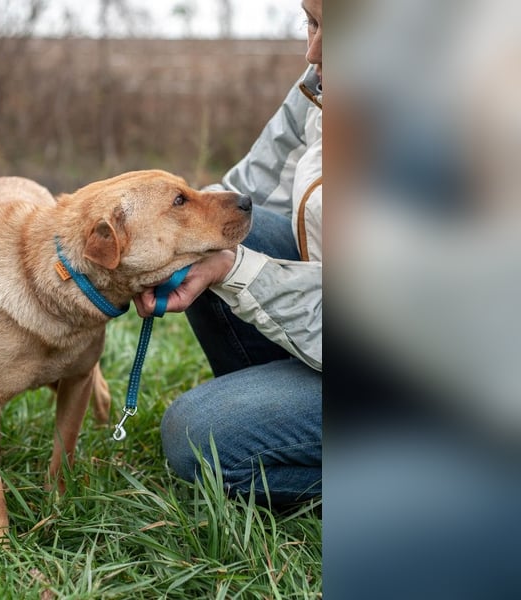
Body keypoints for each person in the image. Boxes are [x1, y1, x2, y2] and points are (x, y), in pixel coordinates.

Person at [134, 0, 322, 507]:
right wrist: (164, 241)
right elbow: (244, 192)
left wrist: (237, 270)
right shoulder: (325, 82)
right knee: (215, 237)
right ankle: (266, 414)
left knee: (197, 438)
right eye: (312, 20)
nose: (313, 50)